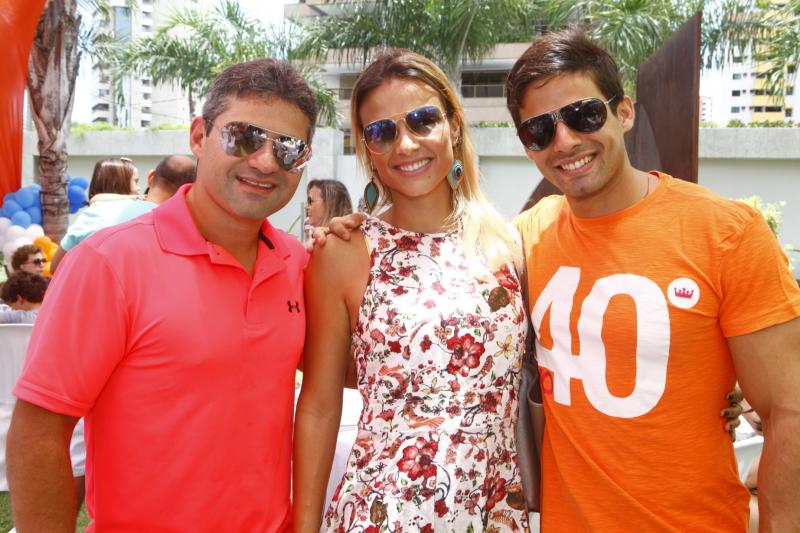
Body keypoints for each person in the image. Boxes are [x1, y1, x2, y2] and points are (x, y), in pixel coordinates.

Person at [506, 28, 800, 530]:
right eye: (539, 130)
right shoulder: (526, 236)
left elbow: (788, 410)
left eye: (584, 114)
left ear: (623, 113)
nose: (565, 141)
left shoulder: (726, 233)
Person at [7, 58, 315, 531]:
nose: (265, 161)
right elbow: (38, 431)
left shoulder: (297, 263)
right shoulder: (110, 262)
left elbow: (359, 369)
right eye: (244, 137)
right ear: (199, 136)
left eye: (288, 148)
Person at [294, 49, 530, 531]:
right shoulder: (344, 251)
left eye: (422, 120)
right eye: (382, 131)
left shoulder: (507, 243)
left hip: (494, 511)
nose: (404, 144)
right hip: (384, 513)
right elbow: (319, 406)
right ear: (368, 149)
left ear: (454, 126)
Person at [50, 155, 196, 273]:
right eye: (135, 181)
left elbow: (55, 267)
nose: (138, 188)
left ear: (151, 177)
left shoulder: (95, 211)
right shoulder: (180, 225)